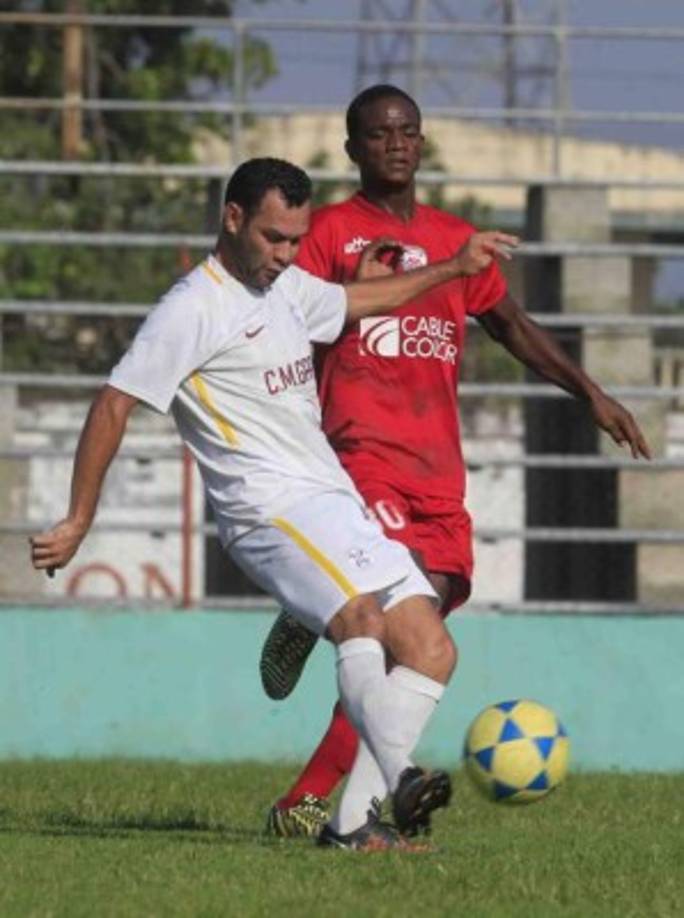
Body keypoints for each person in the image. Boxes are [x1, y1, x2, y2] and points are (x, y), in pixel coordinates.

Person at [30, 157, 521, 852]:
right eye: (272, 238)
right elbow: (114, 403)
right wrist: (80, 518)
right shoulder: (192, 308)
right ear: (232, 219)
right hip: (266, 511)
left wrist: (453, 267)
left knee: (432, 649)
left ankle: (352, 829)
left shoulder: (285, 287)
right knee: (361, 620)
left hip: (331, 500)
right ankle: (402, 774)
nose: (286, 255)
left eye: (295, 239)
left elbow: (351, 303)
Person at [260, 86, 651, 839]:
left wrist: (590, 393)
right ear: (353, 151)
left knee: (420, 645)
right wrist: (352, 289)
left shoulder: (455, 238)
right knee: (389, 631)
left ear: (422, 141)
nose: (396, 144)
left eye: (407, 131)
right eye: (378, 135)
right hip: (360, 458)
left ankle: (330, 794)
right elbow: (285, 323)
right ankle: (333, 808)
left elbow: (510, 323)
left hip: (437, 472)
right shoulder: (331, 233)